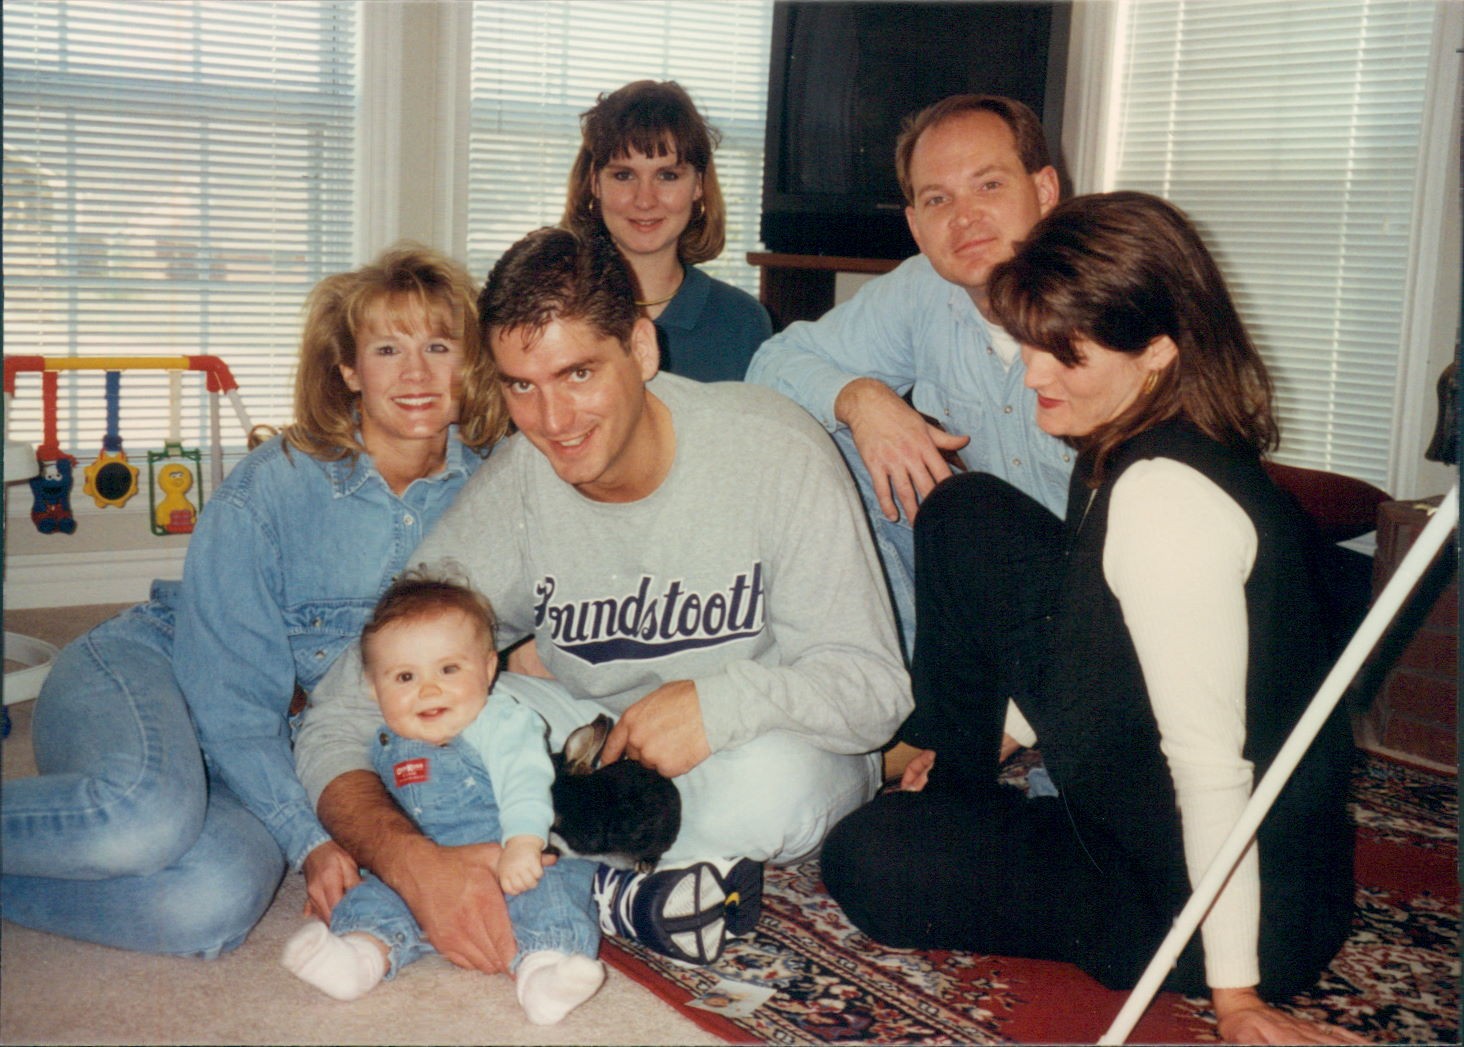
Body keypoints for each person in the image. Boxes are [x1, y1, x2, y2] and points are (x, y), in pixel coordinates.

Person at [819, 192, 1363, 1046]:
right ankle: (953, 779)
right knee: (965, 511)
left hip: (1205, 892)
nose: (1034, 373)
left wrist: (1238, 999)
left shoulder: (1162, 501)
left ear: (1158, 348)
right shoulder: (1140, 436)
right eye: (1029, 342)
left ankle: (961, 819)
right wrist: (1006, 730)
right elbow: (1096, 633)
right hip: (1168, 808)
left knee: (868, 857)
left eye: (1065, 352)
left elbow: (1213, 769)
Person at [295, 226, 910, 970]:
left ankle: (558, 869)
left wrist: (717, 705)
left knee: (766, 793)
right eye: (522, 385)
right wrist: (411, 863)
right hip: (593, 737)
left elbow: (875, 691)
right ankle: (602, 878)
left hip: (761, 741)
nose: (553, 421)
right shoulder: (519, 487)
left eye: (578, 373)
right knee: (424, 710)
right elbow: (343, 707)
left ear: (641, 350)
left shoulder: (774, 452)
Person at [1, 245, 504, 959]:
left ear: (469, 363)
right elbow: (230, 699)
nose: (416, 373)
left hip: (270, 745)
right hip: (151, 674)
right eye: (388, 349)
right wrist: (310, 838)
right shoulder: (273, 487)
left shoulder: (489, 495)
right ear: (349, 369)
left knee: (211, 900)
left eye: (439, 346)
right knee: (144, 820)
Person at [746, 94, 1074, 657]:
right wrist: (861, 398)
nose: (964, 217)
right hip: (988, 586)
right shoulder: (922, 288)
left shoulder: (1107, 294)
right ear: (916, 225)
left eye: (989, 185)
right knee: (824, 443)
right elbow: (770, 367)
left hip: (1106, 598)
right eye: (938, 199)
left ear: (1043, 191)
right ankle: (894, 680)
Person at [282, 571, 603, 1025]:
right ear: (374, 690)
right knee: (375, 896)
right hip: (421, 866)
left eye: (449, 669)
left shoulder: (500, 722)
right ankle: (358, 957)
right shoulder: (383, 739)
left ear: (488, 669)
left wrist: (524, 841)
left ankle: (544, 972)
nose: (428, 689)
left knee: (553, 891)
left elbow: (525, 778)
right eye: (405, 676)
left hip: (507, 855)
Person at [563, 79, 771, 382]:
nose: (645, 200)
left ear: (698, 185)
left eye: (668, 176)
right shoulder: (555, 308)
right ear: (595, 183)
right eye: (624, 175)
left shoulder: (742, 322)